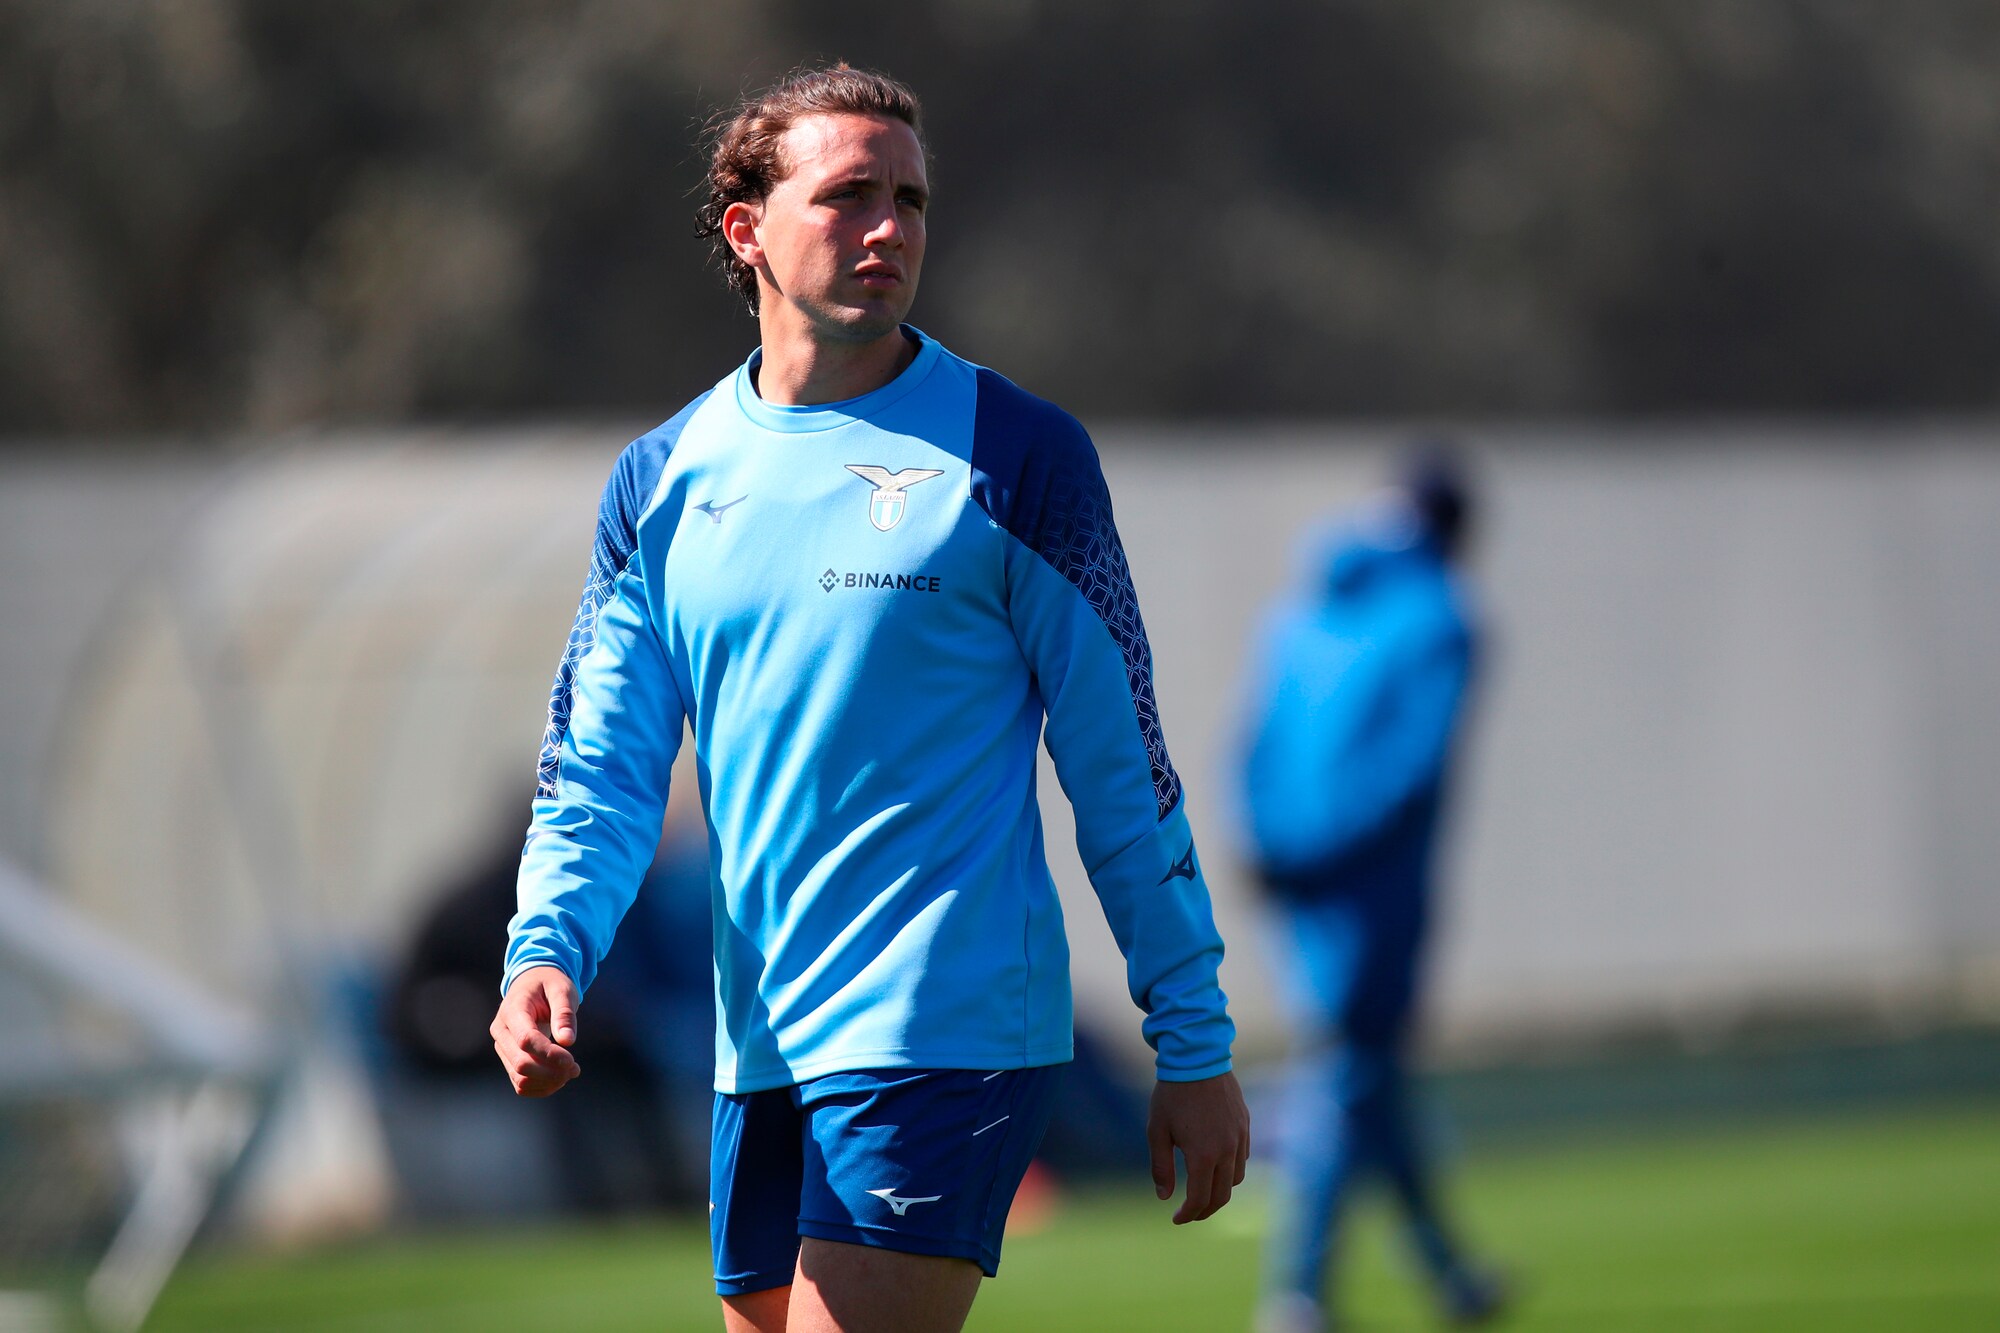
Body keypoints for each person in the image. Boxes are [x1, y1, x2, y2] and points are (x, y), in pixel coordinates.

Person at [489, 65, 1248, 1333]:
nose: (890, 227)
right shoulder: (662, 479)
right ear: (747, 229)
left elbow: (1123, 771)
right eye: (849, 195)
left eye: (911, 199)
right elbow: (601, 768)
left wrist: (1193, 1038)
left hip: (943, 1032)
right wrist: (544, 950)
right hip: (761, 1046)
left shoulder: (1019, 457)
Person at [1239, 450, 1504, 1332]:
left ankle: (1449, 1270)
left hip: (1292, 871)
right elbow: (1410, 768)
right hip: (1372, 883)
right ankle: (1298, 1293)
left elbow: (1254, 740)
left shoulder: (1302, 608)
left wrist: (1267, 843)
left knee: (1366, 1074)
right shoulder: (1442, 618)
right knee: (1346, 1072)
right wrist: (1330, 849)